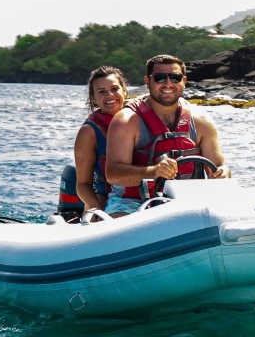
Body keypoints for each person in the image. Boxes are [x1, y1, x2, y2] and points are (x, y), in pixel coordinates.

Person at [104, 54, 231, 216]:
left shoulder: (202, 122)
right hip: (131, 203)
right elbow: (113, 175)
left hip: (188, 202)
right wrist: (153, 172)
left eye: (175, 78)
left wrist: (223, 172)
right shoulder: (126, 121)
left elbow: (219, 166)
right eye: (160, 78)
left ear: (184, 81)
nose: (168, 83)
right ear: (147, 81)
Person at [73, 66, 129, 212]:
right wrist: (95, 207)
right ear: (93, 98)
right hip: (106, 197)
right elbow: (83, 184)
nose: (110, 95)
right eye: (102, 92)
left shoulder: (140, 117)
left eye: (115, 89)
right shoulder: (89, 132)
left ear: (124, 91)